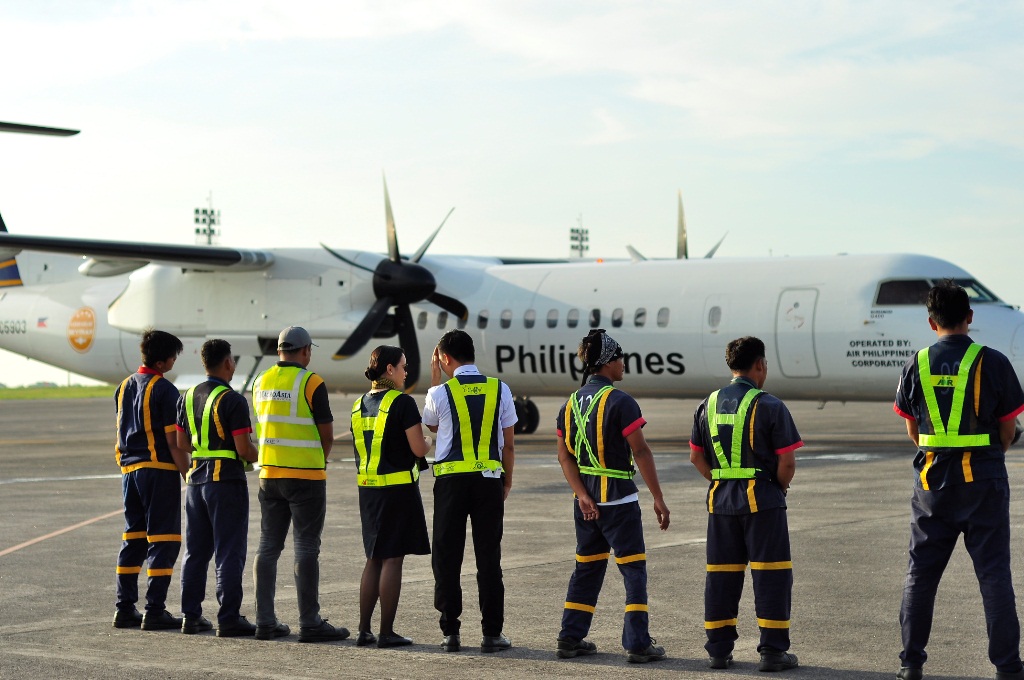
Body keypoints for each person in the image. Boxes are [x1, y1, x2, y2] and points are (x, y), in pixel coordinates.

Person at [893, 281, 1024, 680]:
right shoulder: (994, 361)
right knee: (994, 573)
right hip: (983, 479)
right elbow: (1008, 428)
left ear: (931, 322)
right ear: (970, 317)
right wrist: (988, 456)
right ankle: (1007, 667)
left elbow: (912, 429)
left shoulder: (917, 363)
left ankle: (911, 663)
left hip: (933, 482)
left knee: (921, 573)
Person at [554, 329, 670, 664]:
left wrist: (581, 495)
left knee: (586, 570)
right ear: (607, 362)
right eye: (620, 358)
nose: (624, 365)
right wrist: (658, 498)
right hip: (619, 501)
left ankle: (570, 638)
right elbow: (641, 451)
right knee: (633, 570)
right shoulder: (621, 402)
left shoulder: (569, 404)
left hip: (586, 503)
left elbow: (565, 456)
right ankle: (637, 643)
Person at [689, 335, 800, 672]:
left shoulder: (706, 404)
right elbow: (787, 462)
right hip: (762, 500)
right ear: (760, 365)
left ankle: (719, 651)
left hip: (720, 502)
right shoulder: (770, 405)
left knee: (721, 576)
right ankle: (771, 652)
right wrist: (777, 490)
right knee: (771, 576)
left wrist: (722, 481)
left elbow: (696, 457)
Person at [251, 326, 348, 643]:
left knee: (268, 548)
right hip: (305, 476)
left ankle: (265, 621)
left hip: (269, 475)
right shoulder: (311, 382)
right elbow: (327, 433)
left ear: (279, 350)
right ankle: (310, 622)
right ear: (305, 350)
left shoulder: (260, 381)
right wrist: (319, 459)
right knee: (305, 548)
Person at [422, 329, 516, 653]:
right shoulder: (499, 389)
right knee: (489, 557)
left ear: (445, 358)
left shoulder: (439, 393)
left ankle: (451, 632)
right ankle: (492, 633)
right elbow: (510, 444)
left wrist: (435, 380)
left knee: (447, 557)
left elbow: (433, 426)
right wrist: (507, 480)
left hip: (450, 483)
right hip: (489, 480)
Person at [351, 345, 433, 648]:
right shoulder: (402, 403)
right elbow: (417, 449)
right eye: (403, 366)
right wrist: (428, 441)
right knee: (392, 560)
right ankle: (386, 632)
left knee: (374, 557)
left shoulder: (359, 405)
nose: (406, 371)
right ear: (389, 370)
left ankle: (363, 629)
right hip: (397, 491)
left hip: (368, 490)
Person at [176, 339, 260, 637]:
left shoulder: (186, 396)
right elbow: (243, 448)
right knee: (229, 550)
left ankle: (190, 616)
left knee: (195, 552)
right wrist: (259, 453)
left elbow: (181, 442)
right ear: (228, 363)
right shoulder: (233, 400)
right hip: (225, 482)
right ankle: (228, 617)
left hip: (195, 480)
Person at [112, 329, 189, 631]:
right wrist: (188, 472)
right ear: (163, 360)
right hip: (157, 470)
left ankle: (124, 608)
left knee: (134, 539)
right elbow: (173, 442)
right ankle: (155, 610)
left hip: (129, 471)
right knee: (164, 540)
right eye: (173, 356)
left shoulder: (123, 386)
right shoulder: (165, 390)